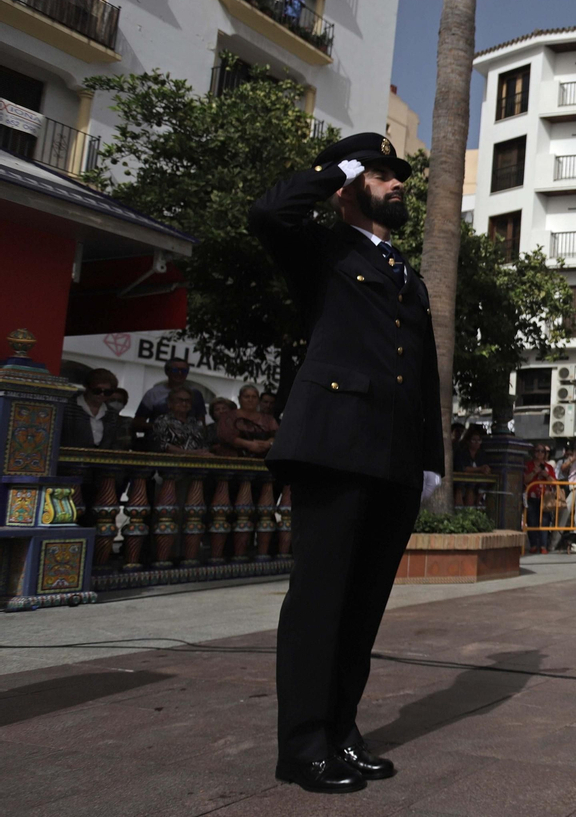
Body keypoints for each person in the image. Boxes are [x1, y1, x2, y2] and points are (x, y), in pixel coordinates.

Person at [250, 132, 443, 793]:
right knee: (320, 602)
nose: (397, 183)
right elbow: (268, 213)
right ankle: (303, 745)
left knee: (362, 608)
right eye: (381, 174)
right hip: (333, 448)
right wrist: (336, 166)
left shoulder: (406, 273)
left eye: (398, 175)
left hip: (394, 457)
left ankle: (341, 732)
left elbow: (424, 372)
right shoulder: (322, 250)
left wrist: (430, 458)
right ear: (349, 188)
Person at [63, 368, 131, 450]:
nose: (102, 394)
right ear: (87, 387)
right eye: (97, 391)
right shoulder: (67, 407)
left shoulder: (112, 413)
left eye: (107, 392)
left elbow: (113, 442)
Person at [133, 358, 203, 434]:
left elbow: (201, 424)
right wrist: (164, 427)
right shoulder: (153, 394)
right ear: (167, 372)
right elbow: (137, 424)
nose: (180, 373)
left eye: (184, 371)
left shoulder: (196, 394)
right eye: (175, 370)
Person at [217, 385, 279, 458]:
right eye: (247, 397)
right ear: (239, 399)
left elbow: (277, 436)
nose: (250, 400)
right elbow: (226, 436)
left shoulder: (268, 419)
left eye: (254, 397)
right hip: (233, 459)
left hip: (262, 459)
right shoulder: (228, 417)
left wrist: (269, 443)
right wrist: (248, 444)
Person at [150, 388, 207, 453]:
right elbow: (163, 445)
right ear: (170, 403)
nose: (184, 404)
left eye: (187, 401)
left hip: (197, 458)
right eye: (180, 400)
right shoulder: (162, 421)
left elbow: (203, 444)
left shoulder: (196, 423)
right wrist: (192, 453)